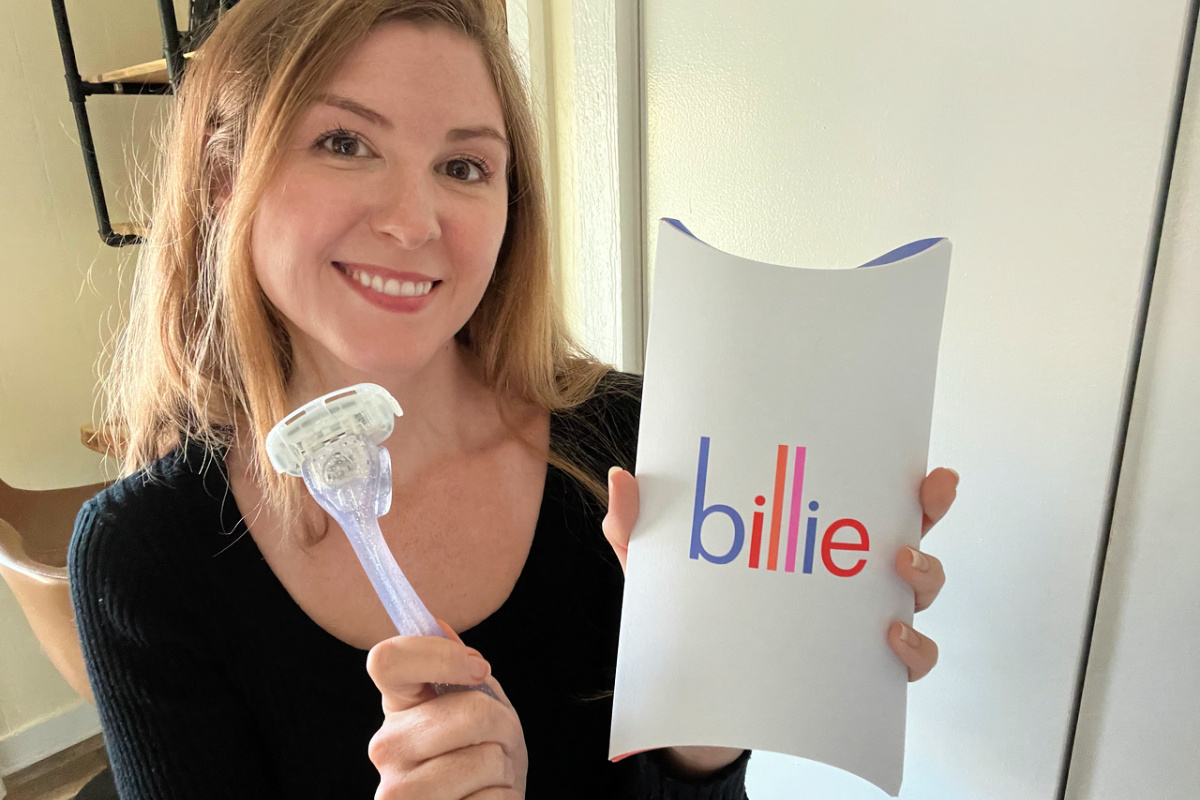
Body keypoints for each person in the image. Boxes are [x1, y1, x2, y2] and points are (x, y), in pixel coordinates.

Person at [68, 0, 958, 797]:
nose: (415, 222)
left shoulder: (639, 448)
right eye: (345, 143)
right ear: (226, 180)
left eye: (463, 165)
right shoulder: (147, 559)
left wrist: (706, 735)